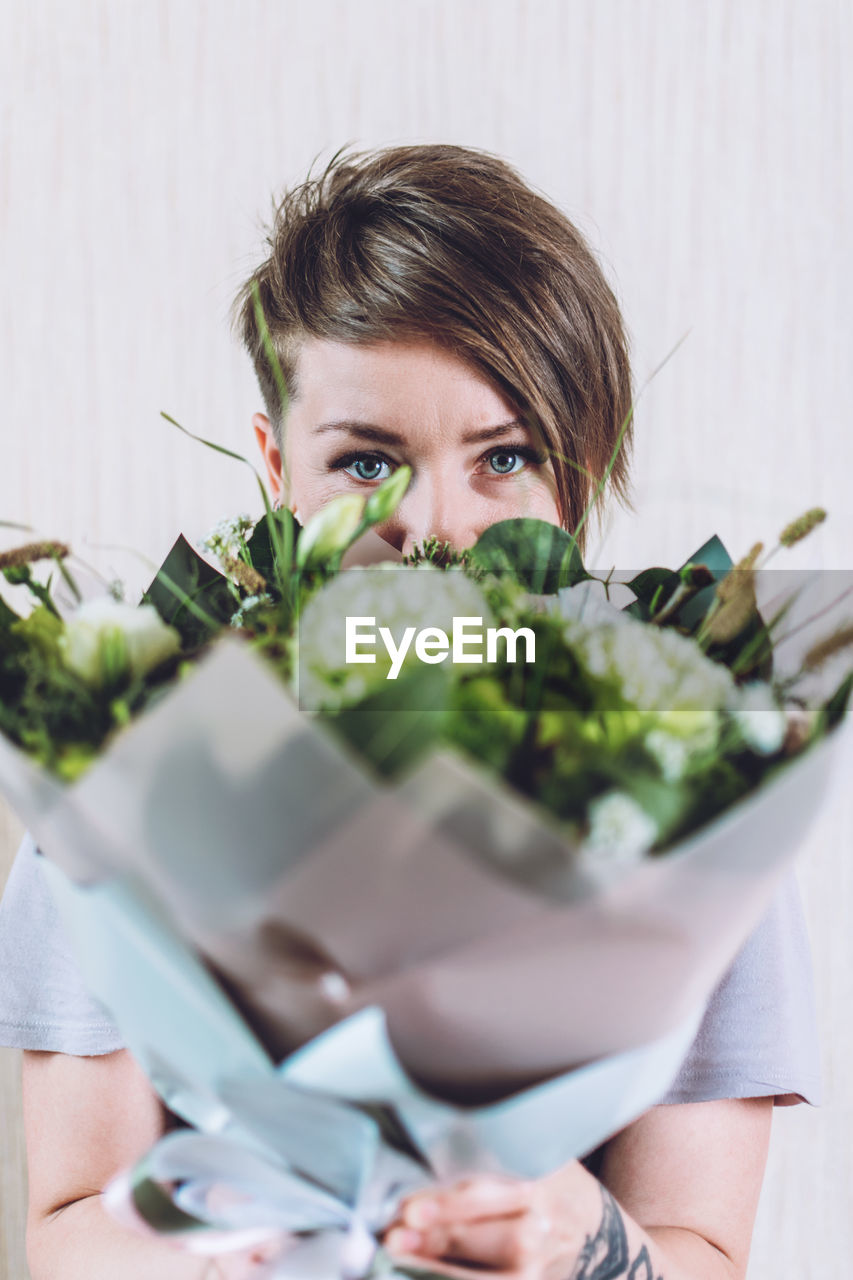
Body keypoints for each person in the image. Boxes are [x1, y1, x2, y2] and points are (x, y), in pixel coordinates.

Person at [0, 144, 820, 1280]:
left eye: (506, 456)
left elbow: (706, 1251)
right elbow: (68, 1225)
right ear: (276, 461)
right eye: (368, 461)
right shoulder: (129, 758)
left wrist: (578, 1235)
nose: (436, 524)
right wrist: (264, 1249)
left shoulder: (697, 779)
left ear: (577, 470)